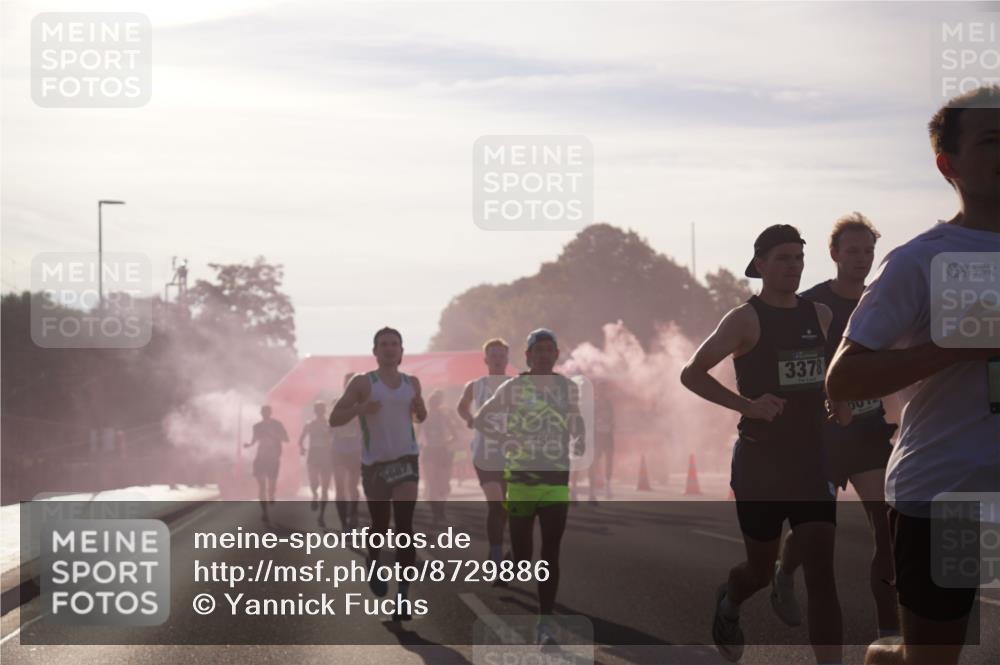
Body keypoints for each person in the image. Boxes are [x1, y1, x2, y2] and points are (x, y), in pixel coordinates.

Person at [826, 85, 1000, 665]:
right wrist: (952, 348)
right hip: (946, 494)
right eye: (991, 141)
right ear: (947, 165)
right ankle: (889, 657)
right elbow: (843, 381)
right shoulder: (921, 259)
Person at [680, 224, 845, 664]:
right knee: (757, 567)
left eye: (798, 257)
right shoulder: (744, 319)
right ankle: (730, 602)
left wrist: (837, 403)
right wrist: (747, 405)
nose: (793, 266)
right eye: (782, 258)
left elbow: (823, 375)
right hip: (761, 462)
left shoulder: (820, 315)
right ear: (760, 266)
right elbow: (691, 374)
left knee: (821, 569)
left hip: (811, 460)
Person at [773, 213, 900, 639]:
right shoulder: (810, 305)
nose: (862, 258)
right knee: (811, 538)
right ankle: (783, 570)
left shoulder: (878, 302)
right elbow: (792, 367)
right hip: (819, 435)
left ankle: (887, 638)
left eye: (868, 251)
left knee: (888, 535)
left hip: (866, 432)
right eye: (853, 251)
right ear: (834, 255)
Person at [473, 328, 586, 648]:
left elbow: (575, 418)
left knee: (550, 554)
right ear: (528, 356)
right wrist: (504, 439)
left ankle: (545, 622)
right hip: (521, 481)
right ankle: (510, 560)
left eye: (550, 350)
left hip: (555, 481)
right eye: (539, 350)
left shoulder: (567, 388)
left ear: (556, 355)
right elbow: (482, 418)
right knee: (525, 556)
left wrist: (580, 435)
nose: (545, 355)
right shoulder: (514, 387)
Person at [329, 327, 427, 622]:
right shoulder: (363, 382)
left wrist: (420, 409)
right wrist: (361, 408)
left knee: (405, 528)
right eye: (383, 344)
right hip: (376, 465)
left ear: (401, 351)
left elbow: (419, 417)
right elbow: (335, 418)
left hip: (407, 460)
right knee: (380, 526)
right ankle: (373, 562)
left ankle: (403, 597)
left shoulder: (412, 382)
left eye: (394, 344)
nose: (389, 349)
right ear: (375, 351)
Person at [457, 337, 512, 574]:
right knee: (496, 505)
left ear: (507, 359)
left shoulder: (517, 384)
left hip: (511, 453)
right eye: (494, 355)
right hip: (484, 453)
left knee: (508, 506)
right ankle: (498, 558)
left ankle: (496, 549)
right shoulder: (475, 385)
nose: (498, 359)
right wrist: (469, 418)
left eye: (502, 355)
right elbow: (462, 406)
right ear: (486, 359)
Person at [244, 405, 290, 522]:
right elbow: (254, 440)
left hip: (273, 458)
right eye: (263, 412)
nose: (265, 414)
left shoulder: (277, 425)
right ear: (261, 413)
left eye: (267, 412)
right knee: (261, 486)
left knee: (271, 486)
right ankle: (264, 512)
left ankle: (272, 494)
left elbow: (286, 439)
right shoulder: (257, 426)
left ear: (270, 413)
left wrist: (275, 435)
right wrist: (249, 445)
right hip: (261, 457)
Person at [420, 389, 459, 524]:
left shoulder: (444, 416)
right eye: (432, 404)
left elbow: (455, 435)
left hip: (441, 452)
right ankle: (437, 514)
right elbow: (416, 434)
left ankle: (439, 512)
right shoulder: (424, 417)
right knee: (433, 484)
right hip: (429, 452)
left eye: (436, 403)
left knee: (442, 485)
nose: (434, 406)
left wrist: (445, 442)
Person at [331, 372, 364, 531]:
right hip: (338, 452)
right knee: (339, 488)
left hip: (355, 452)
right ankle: (344, 522)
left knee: (352, 486)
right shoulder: (337, 403)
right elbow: (330, 427)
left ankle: (354, 513)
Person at [299, 401, 335, 523]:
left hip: (326, 455)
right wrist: (302, 448)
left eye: (321, 410)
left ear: (324, 411)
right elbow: (301, 439)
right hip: (314, 454)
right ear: (315, 411)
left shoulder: (330, 424)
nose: (320, 412)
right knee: (314, 482)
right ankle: (314, 494)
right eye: (318, 410)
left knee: (325, 487)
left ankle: (321, 514)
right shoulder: (309, 424)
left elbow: (335, 438)